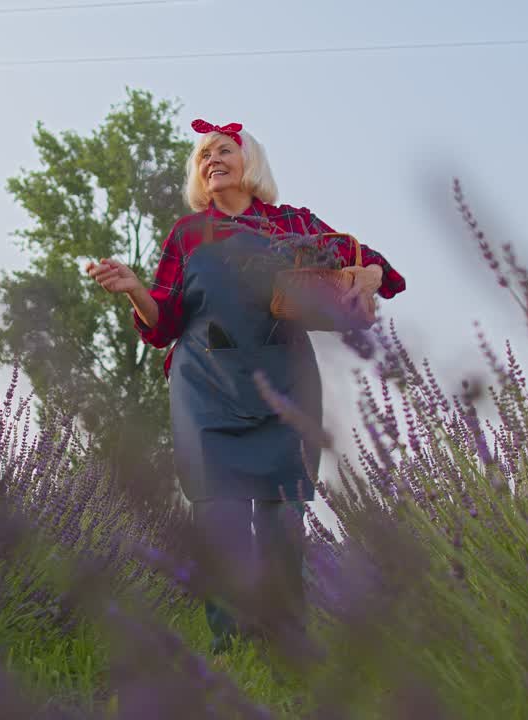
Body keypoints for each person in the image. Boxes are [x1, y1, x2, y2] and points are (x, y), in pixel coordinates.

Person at [86, 118, 405, 654]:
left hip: (285, 382)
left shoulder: (293, 224)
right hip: (205, 387)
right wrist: (136, 289)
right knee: (221, 518)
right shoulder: (187, 235)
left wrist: (366, 275)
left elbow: (384, 273)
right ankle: (230, 647)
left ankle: (285, 640)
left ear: (248, 160)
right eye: (202, 155)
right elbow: (162, 325)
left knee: (285, 517)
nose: (211, 159)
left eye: (223, 150)